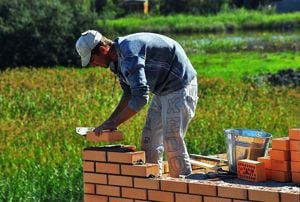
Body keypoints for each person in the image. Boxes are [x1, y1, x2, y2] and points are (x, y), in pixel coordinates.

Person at [75, 30, 198, 177]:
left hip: (179, 85)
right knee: (149, 139)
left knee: (171, 139)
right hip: (162, 90)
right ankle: (152, 184)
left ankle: (183, 188)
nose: (94, 64)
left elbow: (140, 98)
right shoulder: (117, 62)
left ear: (103, 49)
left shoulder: (129, 52)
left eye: (92, 60)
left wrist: (114, 122)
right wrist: (109, 121)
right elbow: (129, 93)